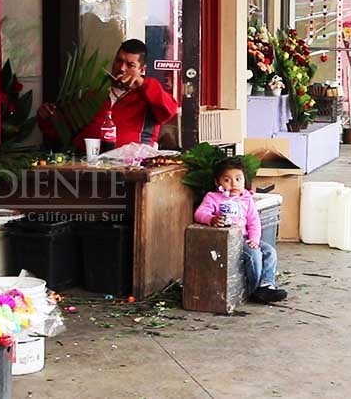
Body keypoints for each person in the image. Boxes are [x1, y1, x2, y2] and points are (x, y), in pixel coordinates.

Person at [37, 39, 177, 151]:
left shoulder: (149, 96)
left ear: (142, 70)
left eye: (130, 65)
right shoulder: (96, 94)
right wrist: (47, 116)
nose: (121, 68)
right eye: (119, 61)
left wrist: (142, 83)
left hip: (131, 166)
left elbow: (170, 110)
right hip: (86, 163)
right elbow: (63, 129)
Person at [194, 157, 288, 304]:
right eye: (227, 180)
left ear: (244, 180)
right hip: (228, 240)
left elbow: (254, 222)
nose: (234, 184)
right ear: (217, 182)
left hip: (245, 238)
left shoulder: (246, 199)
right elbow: (199, 213)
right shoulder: (213, 198)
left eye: (238, 179)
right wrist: (211, 219)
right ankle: (256, 290)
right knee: (254, 255)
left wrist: (254, 240)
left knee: (269, 251)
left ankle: (267, 284)